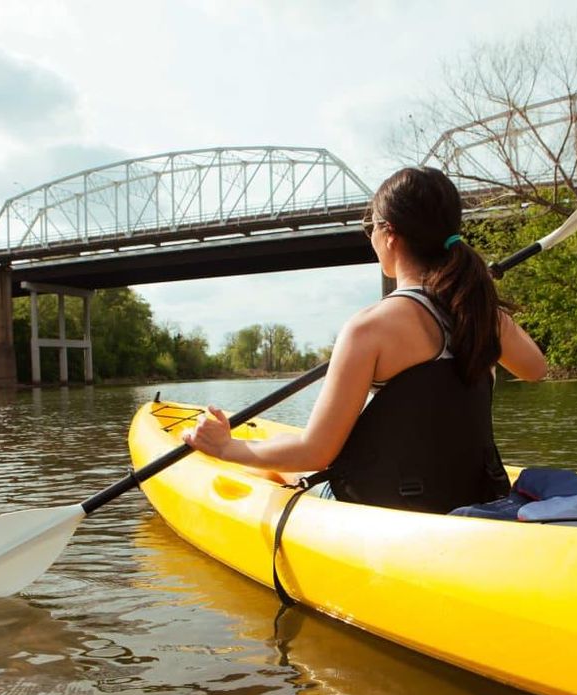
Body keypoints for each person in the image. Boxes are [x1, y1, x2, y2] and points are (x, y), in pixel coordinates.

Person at [182, 166, 546, 514]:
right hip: (474, 493)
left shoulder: (369, 328)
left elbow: (316, 453)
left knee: (284, 460)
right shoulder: (483, 314)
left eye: (369, 226)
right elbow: (535, 369)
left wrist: (227, 448)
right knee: (283, 450)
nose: (369, 236)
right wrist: (477, 293)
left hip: (382, 504)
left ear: (389, 233)